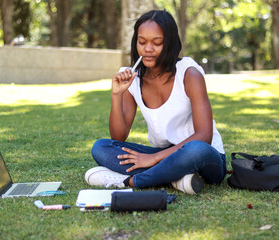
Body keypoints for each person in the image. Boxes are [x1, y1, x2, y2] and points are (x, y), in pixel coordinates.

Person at [85, 10, 226, 194]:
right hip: (165, 156)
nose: (148, 49)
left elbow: (204, 136)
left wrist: (153, 159)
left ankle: (131, 182)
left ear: (169, 44)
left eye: (157, 43)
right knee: (101, 148)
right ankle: (178, 179)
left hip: (203, 155)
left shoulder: (189, 74)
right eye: (142, 42)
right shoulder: (132, 78)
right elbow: (118, 136)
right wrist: (116, 94)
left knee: (195, 149)